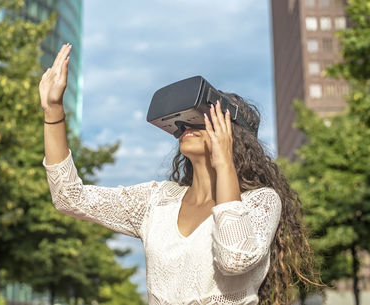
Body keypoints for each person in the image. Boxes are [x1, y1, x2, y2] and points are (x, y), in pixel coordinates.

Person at [40, 44, 319, 305]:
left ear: (233, 133)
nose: (186, 125)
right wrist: (53, 110)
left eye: (203, 118)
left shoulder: (260, 202)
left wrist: (224, 164)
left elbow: (235, 258)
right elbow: (69, 197)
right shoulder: (156, 201)